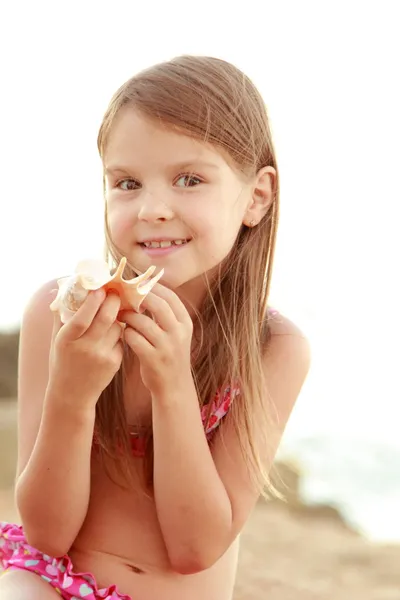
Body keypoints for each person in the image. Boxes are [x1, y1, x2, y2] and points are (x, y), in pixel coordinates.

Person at [0, 55, 310, 600]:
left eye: (189, 179)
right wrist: (72, 394)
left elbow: (195, 548)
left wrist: (173, 385)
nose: (153, 208)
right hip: (50, 581)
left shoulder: (273, 349)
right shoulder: (58, 314)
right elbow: (47, 534)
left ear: (256, 197)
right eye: (126, 182)